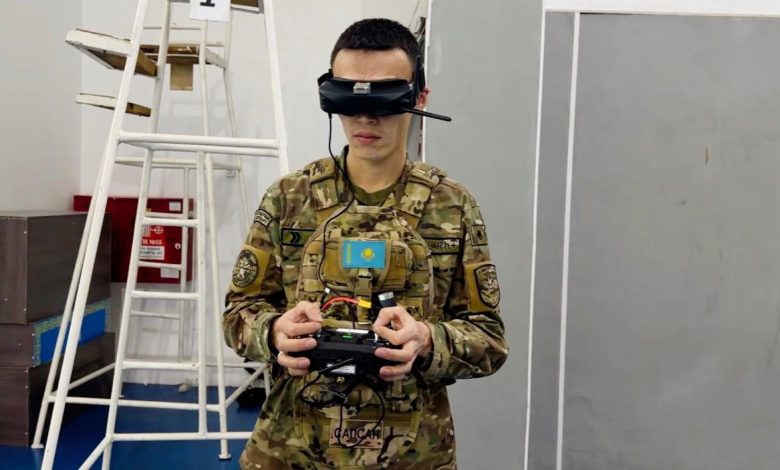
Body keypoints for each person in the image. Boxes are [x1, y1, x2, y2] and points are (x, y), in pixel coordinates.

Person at [223, 18, 507, 469]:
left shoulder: (451, 206)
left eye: (383, 100)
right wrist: (274, 332)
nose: (364, 118)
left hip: (413, 452)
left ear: (419, 97)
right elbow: (238, 312)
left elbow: (489, 339)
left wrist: (426, 340)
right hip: (292, 448)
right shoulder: (290, 198)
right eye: (350, 100)